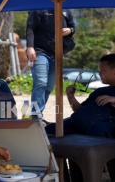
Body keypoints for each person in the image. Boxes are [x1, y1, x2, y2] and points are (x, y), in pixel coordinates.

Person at [45, 53, 115, 181]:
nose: (100, 73)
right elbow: (80, 111)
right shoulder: (100, 91)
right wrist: (71, 98)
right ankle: (62, 177)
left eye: (103, 70)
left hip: (101, 133)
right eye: (99, 70)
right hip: (78, 125)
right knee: (46, 132)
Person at [26, 10, 75, 115]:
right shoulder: (39, 8)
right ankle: (36, 117)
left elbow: (73, 27)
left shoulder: (66, 10)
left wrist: (70, 30)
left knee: (49, 86)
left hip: (57, 53)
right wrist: (30, 47)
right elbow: (30, 28)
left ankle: (38, 114)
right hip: (39, 51)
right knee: (41, 82)